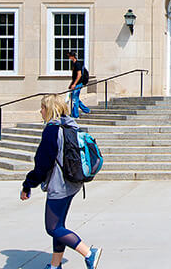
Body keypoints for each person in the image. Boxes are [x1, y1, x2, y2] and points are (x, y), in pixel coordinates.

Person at [20, 94, 102, 269]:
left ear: (50, 109)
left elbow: (42, 164)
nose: (40, 111)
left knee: (52, 228)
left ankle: (88, 253)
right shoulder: (70, 125)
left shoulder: (51, 130)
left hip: (60, 185)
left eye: (42, 107)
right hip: (73, 183)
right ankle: (55, 265)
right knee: (59, 226)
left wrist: (28, 184)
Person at [67, 51, 91, 118]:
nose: (69, 58)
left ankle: (75, 115)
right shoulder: (74, 64)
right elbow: (74, 76)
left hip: (78, 84)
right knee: (75, 98)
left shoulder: (77, 64)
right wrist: (71, 84)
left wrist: (74, 84)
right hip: (76, 83)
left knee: (74, 99)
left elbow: (79, 75)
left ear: (72, 56)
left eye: (69, 56)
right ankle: (86, 110)